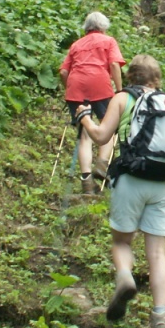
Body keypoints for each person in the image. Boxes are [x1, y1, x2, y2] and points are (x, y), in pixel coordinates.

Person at [74, 54, 165, 328]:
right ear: (157, 78)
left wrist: (85, 118)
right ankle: (160, 320)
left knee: (121, 241)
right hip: (164, 184)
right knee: (157, 253)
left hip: (131, 179)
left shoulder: (122, 98)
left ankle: (125, 279)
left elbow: (101, 136)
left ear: (130, 75)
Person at [59, 12, 125, 194]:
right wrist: (120, 90)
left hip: (76, 88)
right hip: (100, 85)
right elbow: (114, 65)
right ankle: (102, 165)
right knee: (109, 127)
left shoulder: (76, 44)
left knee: (84, 135)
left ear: (86, 27)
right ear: (103, 27)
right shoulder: (108, 41)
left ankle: (86, 181)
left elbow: (63, 72)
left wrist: (70, 89)